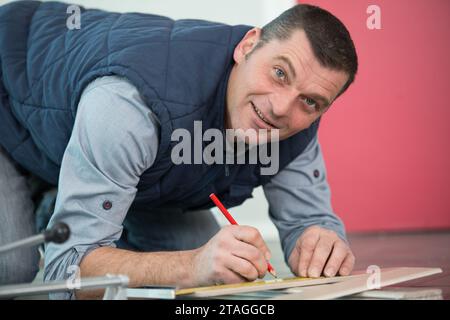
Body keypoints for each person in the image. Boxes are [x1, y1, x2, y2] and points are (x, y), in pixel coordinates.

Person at [0, 1, 358, 299]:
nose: (281, 108)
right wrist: (190, 266)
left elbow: (310, 223)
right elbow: (66, 276)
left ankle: (64, 201)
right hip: (8, 106)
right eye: (280, 73)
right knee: (11, 266)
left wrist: (318, 240)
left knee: (214, 264)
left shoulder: (295, 126)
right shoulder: (129, 106)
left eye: (310, 101)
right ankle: (59, 200)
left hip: (93, 143)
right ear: (248, 46)